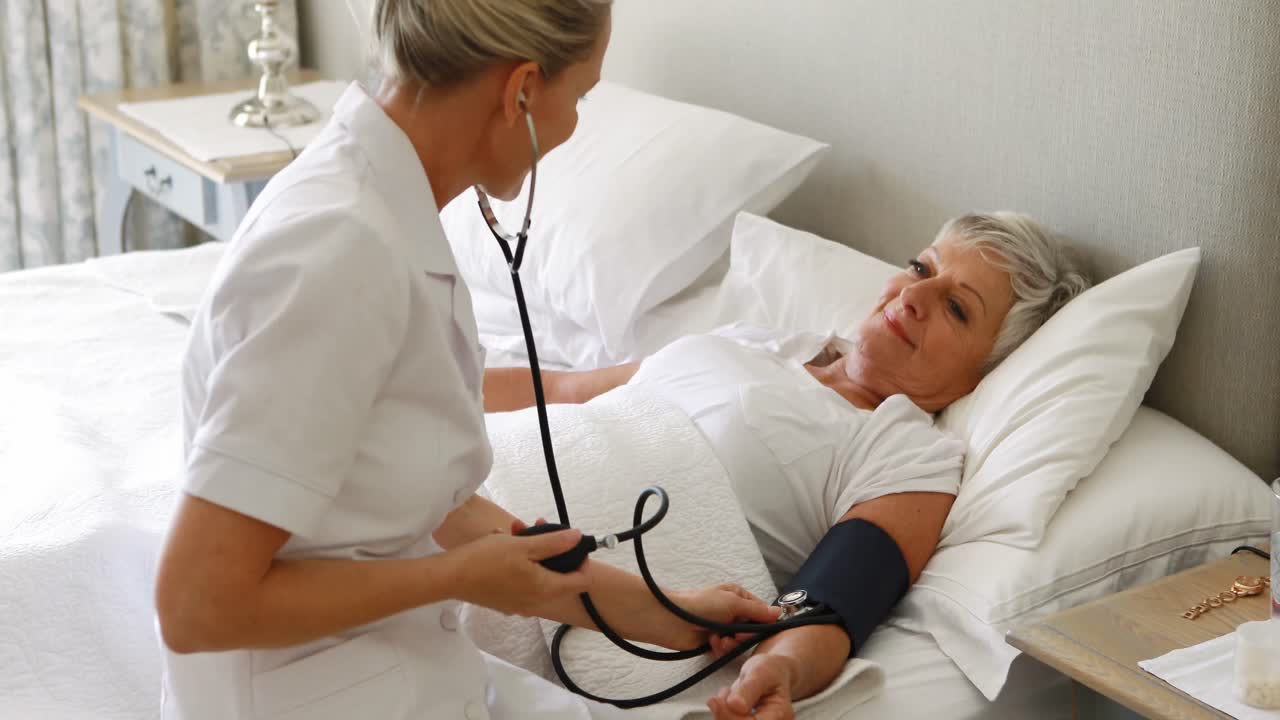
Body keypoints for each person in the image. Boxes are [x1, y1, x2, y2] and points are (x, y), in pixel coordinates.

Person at [151, 2, 778, 719]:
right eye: (579, 97)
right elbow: (198, 604)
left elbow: (414, 494)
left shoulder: (388, 213)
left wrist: (672, 615)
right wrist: (455, 577)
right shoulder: (340, 251)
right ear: (521, 93)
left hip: (402, 679)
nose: (574, 126)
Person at [492, 212, 1091, 719]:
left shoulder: (905, 451)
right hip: (475, 489)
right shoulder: (759, 340)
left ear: (983, 373)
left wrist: (778, 667)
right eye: (921, 268)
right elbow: (566, 390)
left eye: (957, 308)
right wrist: (411, 395)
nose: (914, 297)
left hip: (548, 593)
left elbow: (836, 597)